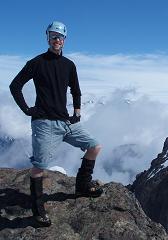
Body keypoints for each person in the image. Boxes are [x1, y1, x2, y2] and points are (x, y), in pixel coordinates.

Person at [9, 21, 103, 227]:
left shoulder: (69, 65)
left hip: (65, 122)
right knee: (39, 167)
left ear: (65, 40)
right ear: (47, 38)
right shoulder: (36, 62)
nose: (57, 40)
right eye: (53, 36)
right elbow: (15, 86)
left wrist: (77, 112)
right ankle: (37, 211)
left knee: (94, 146)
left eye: (60, 37)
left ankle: (82, 186)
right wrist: (27, 110)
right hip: (44, 123)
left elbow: (76, 90)